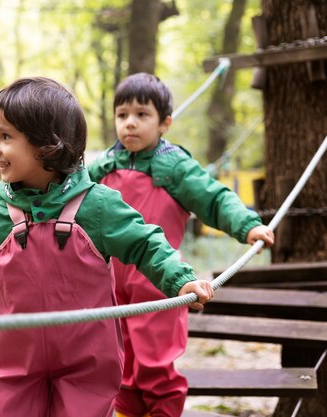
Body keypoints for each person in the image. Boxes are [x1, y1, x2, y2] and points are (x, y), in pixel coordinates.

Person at [0, 76, 213, 417]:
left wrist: (179, 279)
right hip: (18, 359)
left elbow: (146, 243)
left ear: (48, 144)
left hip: (87, 359)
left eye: (5, 137)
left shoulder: (97, 205)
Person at [87, 72, 275, 417]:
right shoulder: (101, 168)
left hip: (160, 284)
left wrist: (247, 225)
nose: (130, 123)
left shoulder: (174, 166)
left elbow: (214, 198)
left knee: (155, 365)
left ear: (165, 123)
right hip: (109, 286)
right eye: (122, 114)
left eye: (142, 115)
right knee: (118, 365)